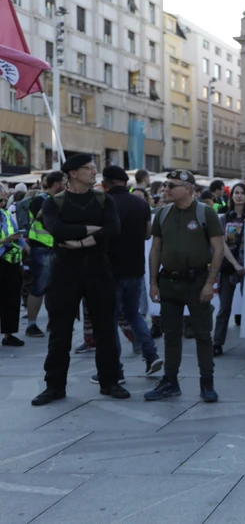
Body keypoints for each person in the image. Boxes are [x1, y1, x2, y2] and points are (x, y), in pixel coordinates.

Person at [32, 154, 129, 406]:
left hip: (98, 269)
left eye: (94, 168)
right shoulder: (55, 203)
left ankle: (110, 381)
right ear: (73, 173)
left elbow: (113, 229)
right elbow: (57, 229)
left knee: (105, 329)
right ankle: (54, 386)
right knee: (60, 330)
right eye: (89, 168)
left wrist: (83, 240)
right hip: (65, 272)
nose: (94, 172)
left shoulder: (103, 199)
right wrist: (91, 229)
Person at [145, 169, 224, 402]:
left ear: (188, 189)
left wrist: (210, 283)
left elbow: (218, 250)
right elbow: (156, 249)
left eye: (172, 185)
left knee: (202, 334)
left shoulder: (206, 213)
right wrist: (152, 283)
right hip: (169, 281)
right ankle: (170, 381)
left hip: (197, 282)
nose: (166, 189)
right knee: (171, 335)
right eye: (166, 185)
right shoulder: (162, 213)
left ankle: (207, 383)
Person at [100, 166, 163, 377]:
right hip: (135, 268)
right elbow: (147, 235)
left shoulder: (104, 203)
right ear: (126, 183)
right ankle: (151, 355)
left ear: (105, 183)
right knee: (134, 314)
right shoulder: (141, 203)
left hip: (110, 269)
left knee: (109, 319)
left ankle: (114, 368)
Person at [213, 182, 245, 356]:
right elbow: (221, 244)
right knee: (224, 308)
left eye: (242, 193)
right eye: (236, 193)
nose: (238, 195)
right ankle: (217, 343)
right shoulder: (224, 218)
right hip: (229, 267)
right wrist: (236, 264)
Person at [24, 171, 66, 338]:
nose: (66, 185)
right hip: (42, 249)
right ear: (56, 184)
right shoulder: (40, 201)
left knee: (54, 288)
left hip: (55, 248)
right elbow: (50, 224)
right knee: (38, 287)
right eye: (64, 182)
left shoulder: (55, 200)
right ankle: (31, 325)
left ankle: (52, 321)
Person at [0, 186, 28, 346]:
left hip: (10, 260)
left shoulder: (5, 213)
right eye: (0, 200)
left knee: (11, 299)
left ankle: (8, 334)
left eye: (4, 200)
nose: (3, 203)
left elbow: (15, 231)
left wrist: (22, 244)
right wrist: (5, 241)